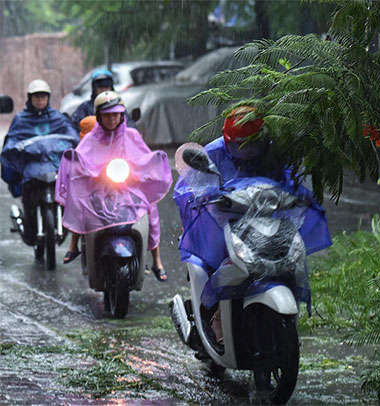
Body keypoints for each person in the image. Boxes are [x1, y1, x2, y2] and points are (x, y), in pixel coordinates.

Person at [174, 106, 332, 346]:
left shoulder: (273, 154)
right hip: (224, 223)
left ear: (263, 139)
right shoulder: (213, 154)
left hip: (265, 221)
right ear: (228, 141)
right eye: (240, 145)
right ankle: (210, 313)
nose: (247, 152)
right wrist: (206, 197)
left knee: (286, 259)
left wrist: (300, 194)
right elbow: (188, 189)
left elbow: (290, 179)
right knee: (217, 259)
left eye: (253, 145)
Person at [56, 91, 172, 282]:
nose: (111, 119)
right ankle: (73, 244)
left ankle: (156, 259)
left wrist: (153, 160)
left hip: (128, 188)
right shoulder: (90, 139)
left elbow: (143, 157)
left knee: (150, 207)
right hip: (98, 190)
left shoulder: (132, 136)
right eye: (107, 115)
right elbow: (81, 160)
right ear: (99, 116)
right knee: (78, 200)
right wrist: (77, 163)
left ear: (122, 115)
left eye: (115, 114)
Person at [0, 79, 78, 248]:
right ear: (30, 98)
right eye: (36, 97)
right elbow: (12, 140)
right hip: (32, 169)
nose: (40, 100)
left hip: (53, 165)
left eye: (43, 97)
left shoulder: (57, 117)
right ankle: (28, 221)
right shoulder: (21, 119)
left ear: (48, 98)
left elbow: (71, 134)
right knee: (27, 194)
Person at [69, 69, 134, 132]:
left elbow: (129, 125)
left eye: (115, 114)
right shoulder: (85, 108)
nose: (111, 119)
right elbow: (74, 128)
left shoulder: (118, 107)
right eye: (100, 87)